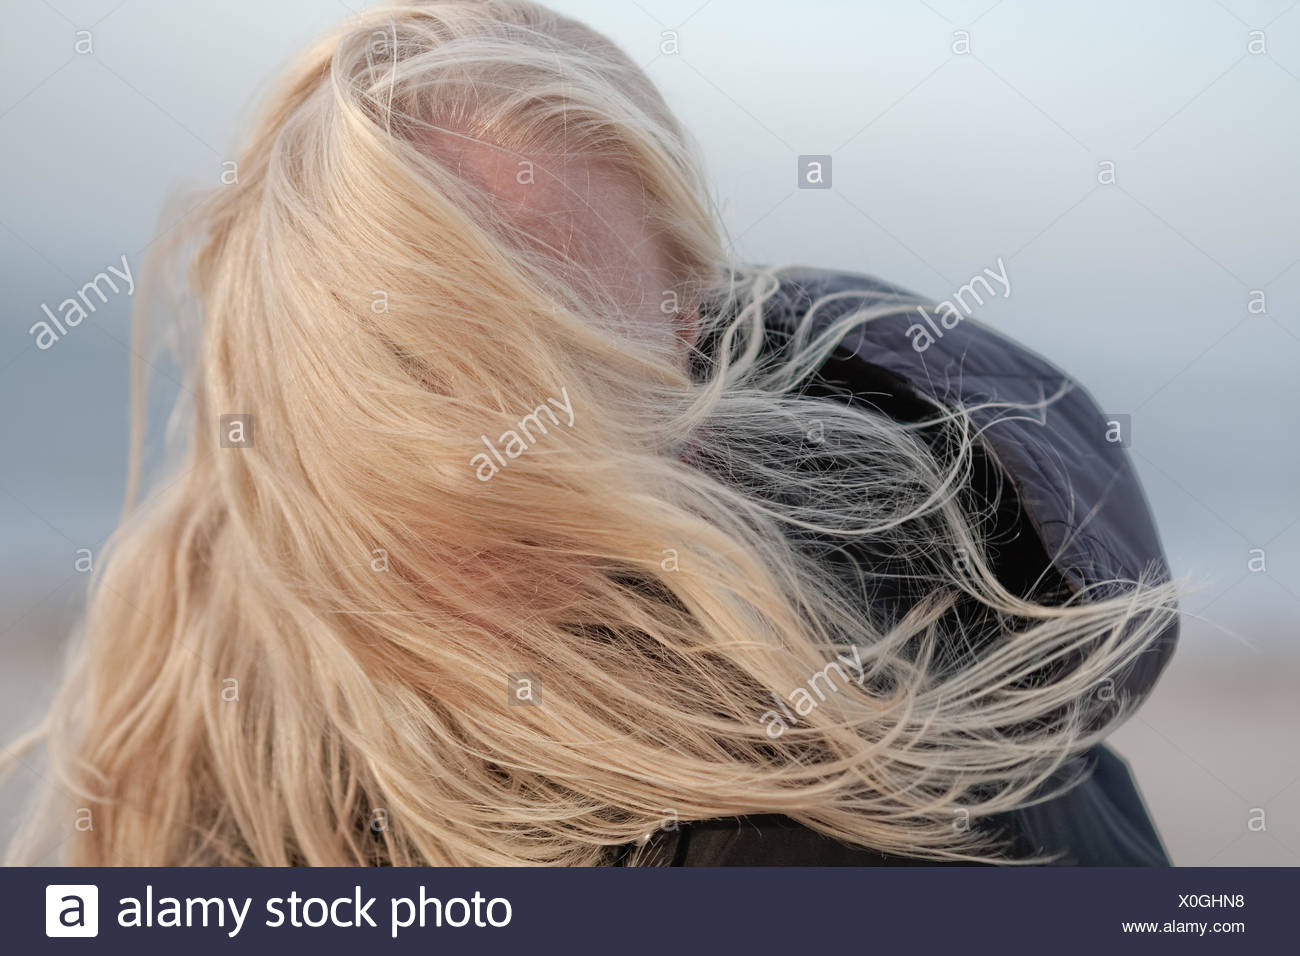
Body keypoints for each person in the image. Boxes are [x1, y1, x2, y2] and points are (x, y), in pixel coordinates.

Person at [2, 0, 1178, 867]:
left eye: (570, 346)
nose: (485, 443)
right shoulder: (215, 676)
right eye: (411, 362)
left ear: (689, 327)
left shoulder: (806, 802)